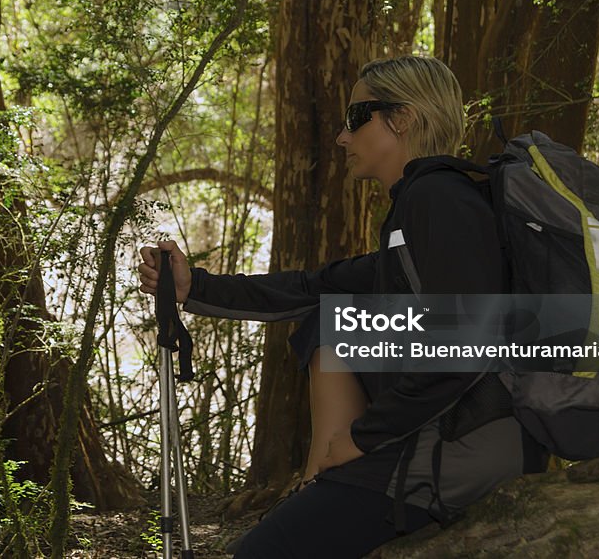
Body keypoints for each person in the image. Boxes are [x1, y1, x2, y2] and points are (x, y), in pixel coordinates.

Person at [137, 56, 545, 558]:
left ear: (404, 118)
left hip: (460, 446)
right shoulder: (423, 209)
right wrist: (193, 286)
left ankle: (328, 477)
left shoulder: (439, 198)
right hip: (449, 438)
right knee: (330, 318)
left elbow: (460, 347)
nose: (341, 137)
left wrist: (362, 439)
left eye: (356, 118)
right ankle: (319, 480)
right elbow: (315, 286)